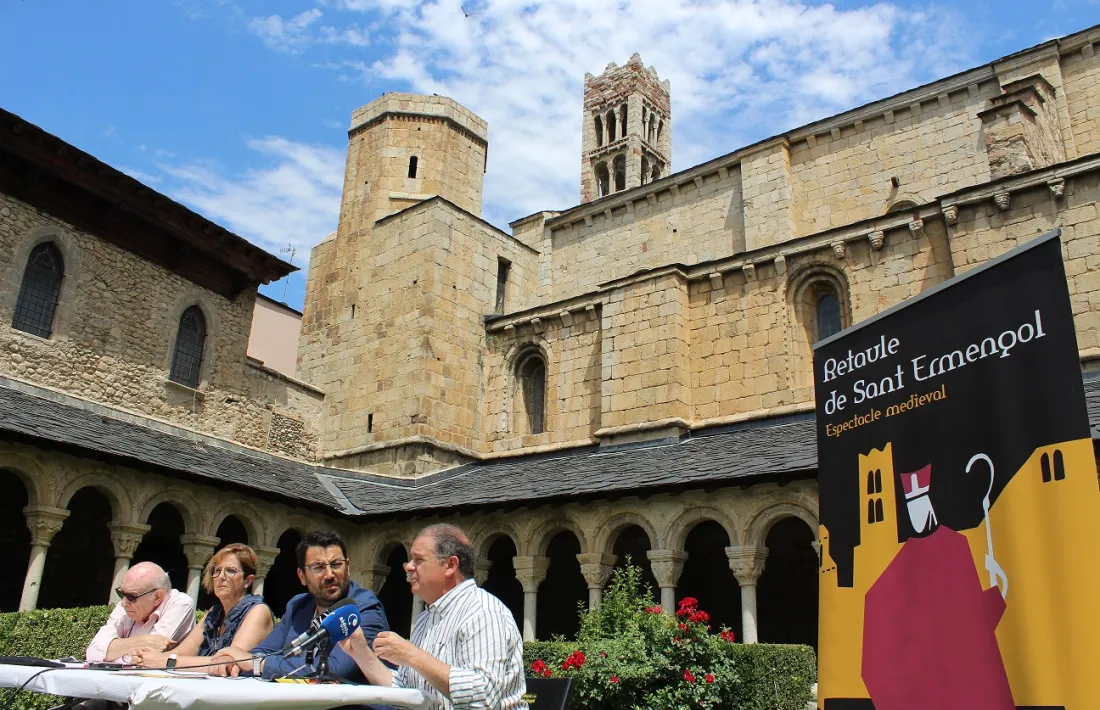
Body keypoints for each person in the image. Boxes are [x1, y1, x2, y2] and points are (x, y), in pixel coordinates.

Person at [338, 524, 527, 710]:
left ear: (450, 565)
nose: (408, 567)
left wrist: (412, 655)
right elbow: (406, 690)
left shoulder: (483, 612)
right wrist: (361, 652)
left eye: (418, 560)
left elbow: (482, 697)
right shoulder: (425, 619)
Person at [210, 529, 389, 681]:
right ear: (302, 576)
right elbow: (265, 651)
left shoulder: (363, 609)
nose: (329, 574)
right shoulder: (298, 606)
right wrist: (236, 662)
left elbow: (332, 670)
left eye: (336, 564)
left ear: (348, 567)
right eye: (318, 567)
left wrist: (256, 665)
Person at [131, 543, 274, 671]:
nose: (220, 577)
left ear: (248, 580)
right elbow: (184, 651)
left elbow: (228, 663)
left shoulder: (258, 611)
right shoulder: (214, 613)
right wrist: (147, 658)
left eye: (230, 570)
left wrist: (166, 662)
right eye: (216, 570)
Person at [85, 561, 196, 663]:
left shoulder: (180, 604)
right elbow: (93, 652)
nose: (124, 603)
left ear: (157, 597)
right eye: (121, 594)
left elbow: (146, 657)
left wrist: (113, 652)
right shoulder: (125, 605)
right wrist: (142, 641)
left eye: (132, 597)